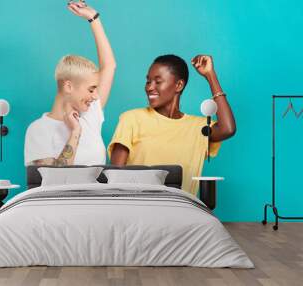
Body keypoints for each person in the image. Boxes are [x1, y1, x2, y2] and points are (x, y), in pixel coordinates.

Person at [108, 54, 236, 195]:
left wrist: (210, 75)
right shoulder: (131, 119)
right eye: (148, 81)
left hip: (182, 212)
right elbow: (115, 179)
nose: (149, 87)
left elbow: (227, 129)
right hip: (138, 211)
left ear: (179, 85)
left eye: (158, 81)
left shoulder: (198, 128)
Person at [24, 1, 116, 166]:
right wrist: (75, 132)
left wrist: (94, 18)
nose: (95, 96)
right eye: (91, 89)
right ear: (68, 86)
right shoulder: (38, 130)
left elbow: (109, 66)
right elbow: (57, 179)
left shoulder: (90, 115)